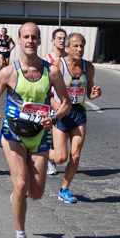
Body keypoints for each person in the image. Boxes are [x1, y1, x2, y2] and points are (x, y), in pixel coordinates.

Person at [0, 22, 71, 238]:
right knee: (21, 183)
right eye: (26, 36)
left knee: (36, 193)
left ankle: (17, 196)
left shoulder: (51, 71)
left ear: (39, 41)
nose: (30, 40)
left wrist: (53, 118)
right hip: (12, 134)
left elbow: (66, 103)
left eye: (34, 37)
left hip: (40, 135)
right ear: (19, 40)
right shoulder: (8, 72)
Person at [50, 33, 101, 203]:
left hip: (79, 114)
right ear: (67, 48)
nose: (79, 49)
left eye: (82, 46)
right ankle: (38, 152)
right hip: (62, 115)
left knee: (76, 155)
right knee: (60, 158)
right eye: (76, 46)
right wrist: (53, 103)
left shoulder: (89, 67)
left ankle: (64, 188)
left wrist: (94, 94)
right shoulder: (58, 66)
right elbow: (44, 90)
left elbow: (89, 92)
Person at [45, 28, 67, 175]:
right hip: (51, 104)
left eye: (64, 38)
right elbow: (43, 86)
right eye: (59, 38)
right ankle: (49, 160)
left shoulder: (69, 59)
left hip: (67, 104)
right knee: (52, 133)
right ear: (53, 41)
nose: (62, 40)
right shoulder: (46, 60)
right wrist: (52, 101)